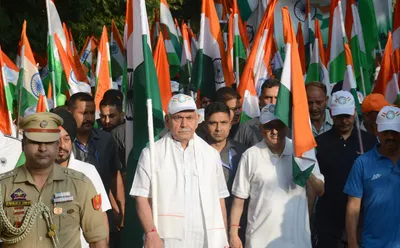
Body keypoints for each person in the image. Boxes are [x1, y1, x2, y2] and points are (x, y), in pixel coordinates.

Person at [130, 94, 229, 247]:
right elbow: (141, 198)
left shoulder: (211, 155)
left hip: (206, 239)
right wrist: (151, 233)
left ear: (197, 120)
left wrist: (223, 238)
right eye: (178, 118)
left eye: (189, 118)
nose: (184, 124)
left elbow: (220, 199)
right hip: (166, 239)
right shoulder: (152, 153)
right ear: (167, 121)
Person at [0, 112, 108, 247]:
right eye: (36, 142)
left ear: (57, 145)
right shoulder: (3, 187)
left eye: (49, 142)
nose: (43, 148)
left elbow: (97, 240)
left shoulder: (80, 184)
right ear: (23, 145)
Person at [229, 104, 325, 248]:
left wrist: (306, 171)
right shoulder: (250, 155)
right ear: (261, 128)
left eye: (279, 126)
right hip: (259, 241)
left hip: (297, 240)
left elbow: (320, 190)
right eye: (269, 126)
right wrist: (233, 234)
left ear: (287, 127)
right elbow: (239, 200)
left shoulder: (302, 153)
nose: (274, 131)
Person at [313, 91, 377, 248]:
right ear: (331, 114)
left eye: (348, 115)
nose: (344, 121)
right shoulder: (319, 143)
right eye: (339, 116)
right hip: (328, 221)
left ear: (355, 112)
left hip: (362, 219)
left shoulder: (369, 142)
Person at [68, 93, 125, 244]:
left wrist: (121, 208)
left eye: (92, 113)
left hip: (104, 214)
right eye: (83, 113)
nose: (88, 118)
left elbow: (115, 176)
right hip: (72, 218)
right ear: (70, 113)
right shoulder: (63, 144)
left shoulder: (106, 140)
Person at [52, 107, 112, 248]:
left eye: (66, 139)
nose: (61, 145)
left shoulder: (87, 172)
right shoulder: (39, 174)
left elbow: (101, 216)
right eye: (56, 140)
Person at [344, 106, 400, 248]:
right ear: (376, 130)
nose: (390, 136)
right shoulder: (362, 163)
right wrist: (352, 243)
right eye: (385, 131)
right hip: (373, 244)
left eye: (395, 132)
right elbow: (353, 207)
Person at [234, 78, 281, 148]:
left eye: (277, 98)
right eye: (268, 97)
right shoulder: (246, 128)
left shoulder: (292, 128)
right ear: (260, 100)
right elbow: (235, 154)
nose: (273, 102)